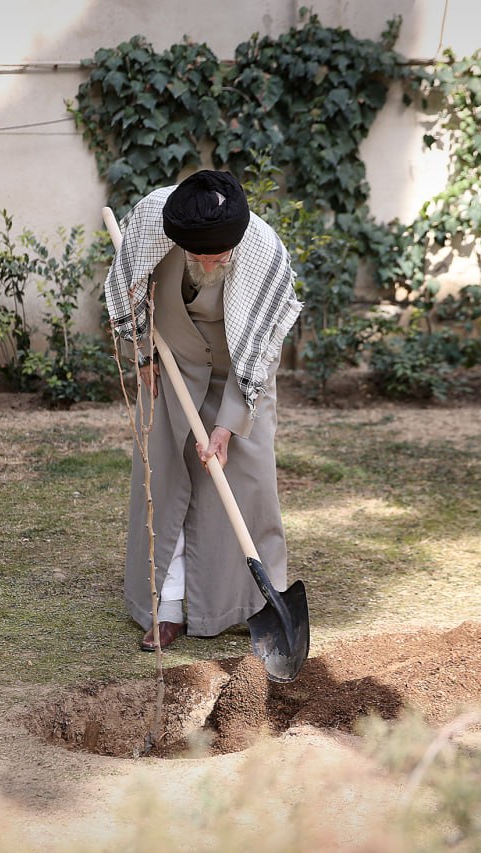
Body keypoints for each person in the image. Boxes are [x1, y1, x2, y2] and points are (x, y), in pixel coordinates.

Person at [103, 169, 303, 651]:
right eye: (199, 257)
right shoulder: (155, 224)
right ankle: (166, 608)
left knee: (246, 486)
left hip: (243, 371)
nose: (209, 267)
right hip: (174, 365)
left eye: (219, 259)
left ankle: (248, 605)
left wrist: (229, 426)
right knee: (167, 481)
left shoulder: (262, 252)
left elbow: (262, 348)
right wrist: (144, 353)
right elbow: (127, 288)